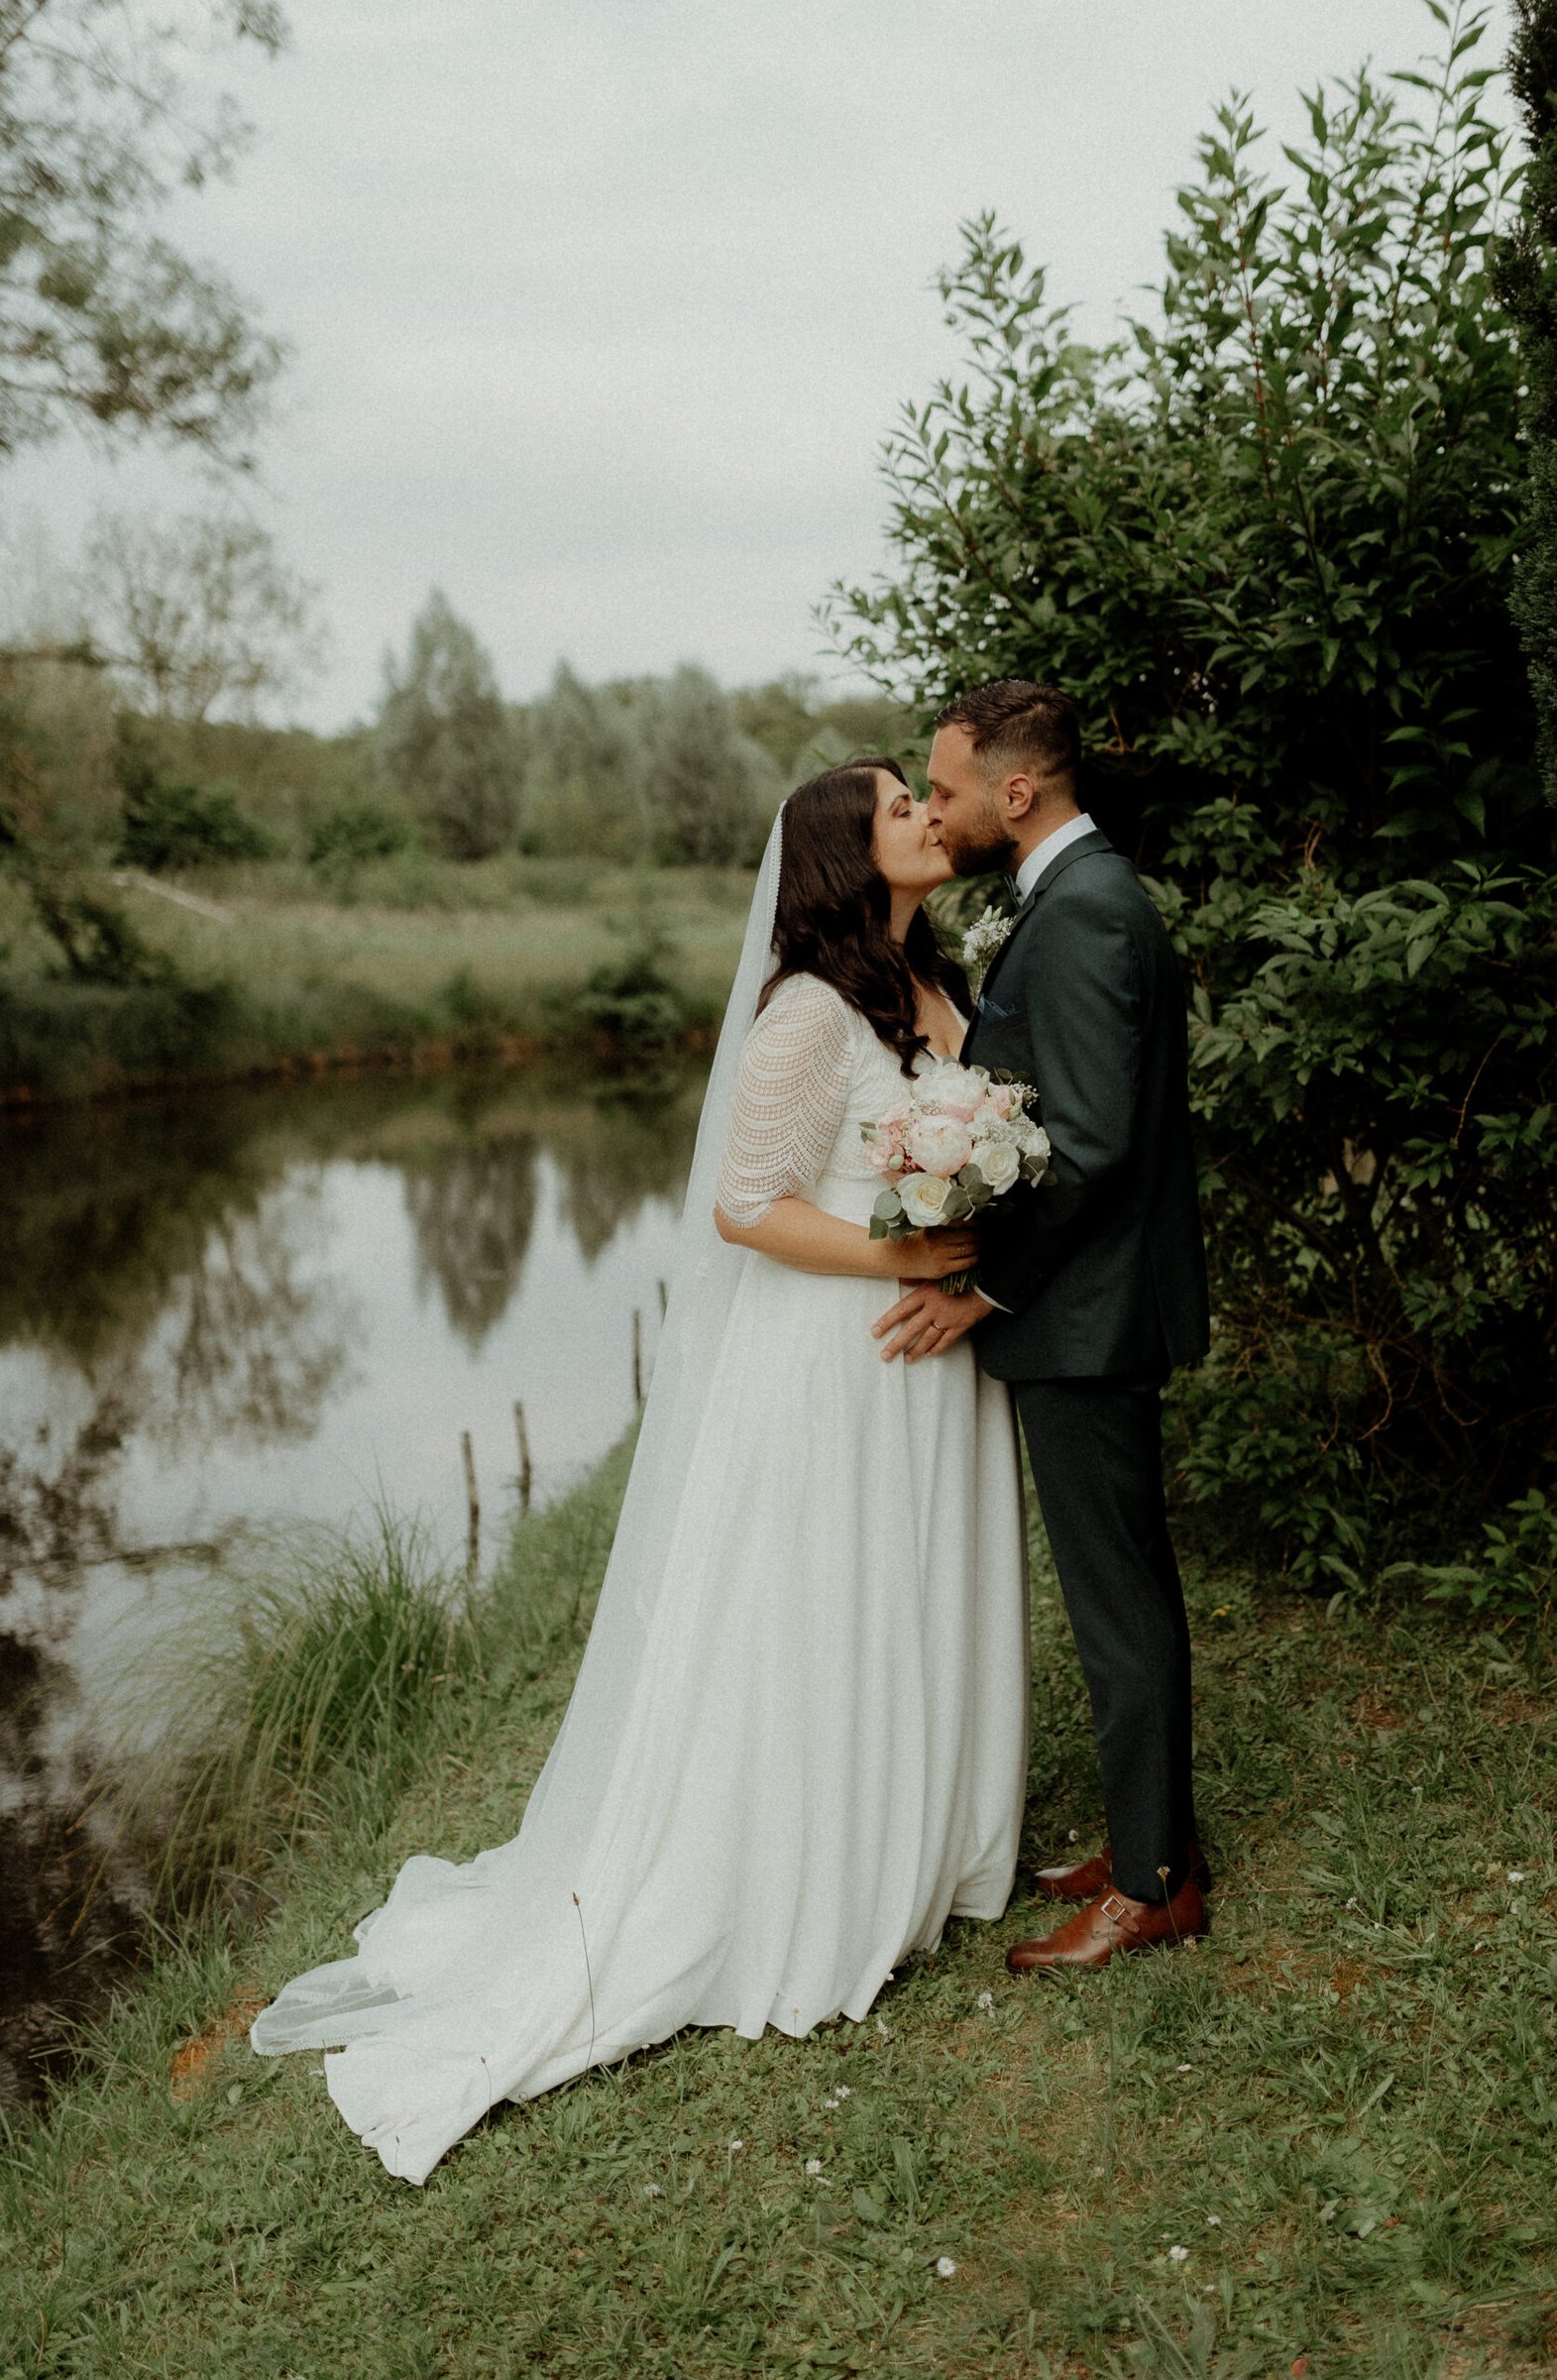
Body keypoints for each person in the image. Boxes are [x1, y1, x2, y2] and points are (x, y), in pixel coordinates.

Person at [250, 758, 1029, 2184]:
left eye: (926, 793)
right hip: (832, 1358)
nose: (926, 807)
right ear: (845, 854)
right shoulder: (803, 1012)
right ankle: (804, 1872)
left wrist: (961, 1227)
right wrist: (901, 1249)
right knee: (825, 1606)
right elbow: (746, 1207)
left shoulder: (944, 985)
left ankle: (917, 1841)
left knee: (910, 1588)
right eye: (897, 802)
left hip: (925, 1360)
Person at [876, 680, 1211, 1973]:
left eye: (948, 789)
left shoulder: (1082, 913)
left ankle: (1151, 1885)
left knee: (1118, 1599)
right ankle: (1152, 1839)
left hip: (1089, 1313)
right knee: (1120, 1588)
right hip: (1094, 1306)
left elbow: (1091, 1141)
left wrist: (988, 1286)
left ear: (1019, 792)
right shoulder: (1074, 897)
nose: (939, 809)